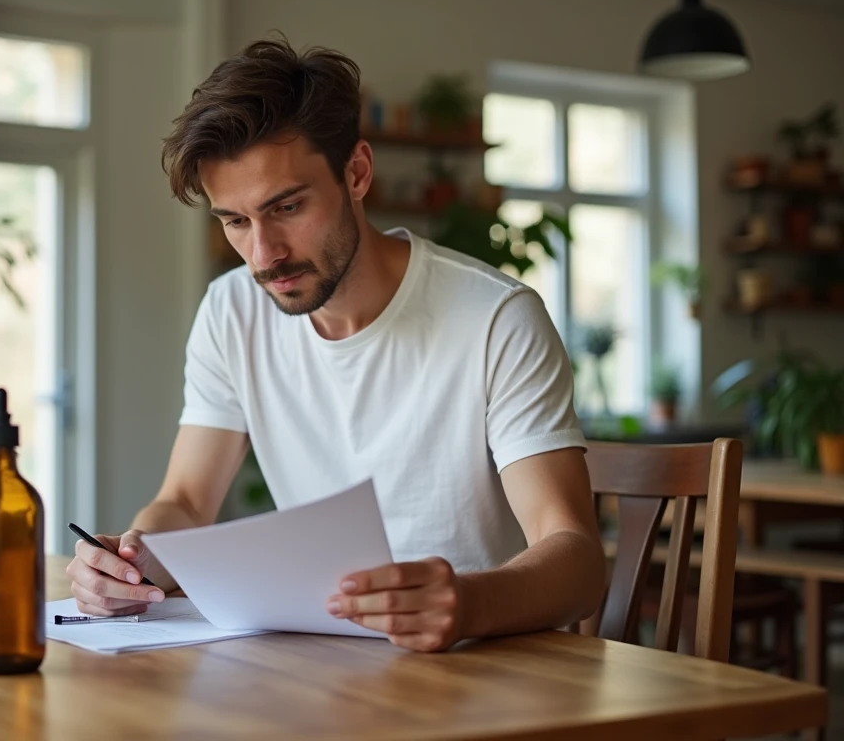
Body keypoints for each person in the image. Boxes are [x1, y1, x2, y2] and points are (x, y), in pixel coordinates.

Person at [65, 36, 605, 652]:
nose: (263, 255)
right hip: (322, 662)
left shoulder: (496, 319)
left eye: (287, 207)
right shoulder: (231, 311)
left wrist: (468, 602)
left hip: (482, 664)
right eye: (236, 221)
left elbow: (577, 559)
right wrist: (131, 562)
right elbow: (185, 503)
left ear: (357, 173)